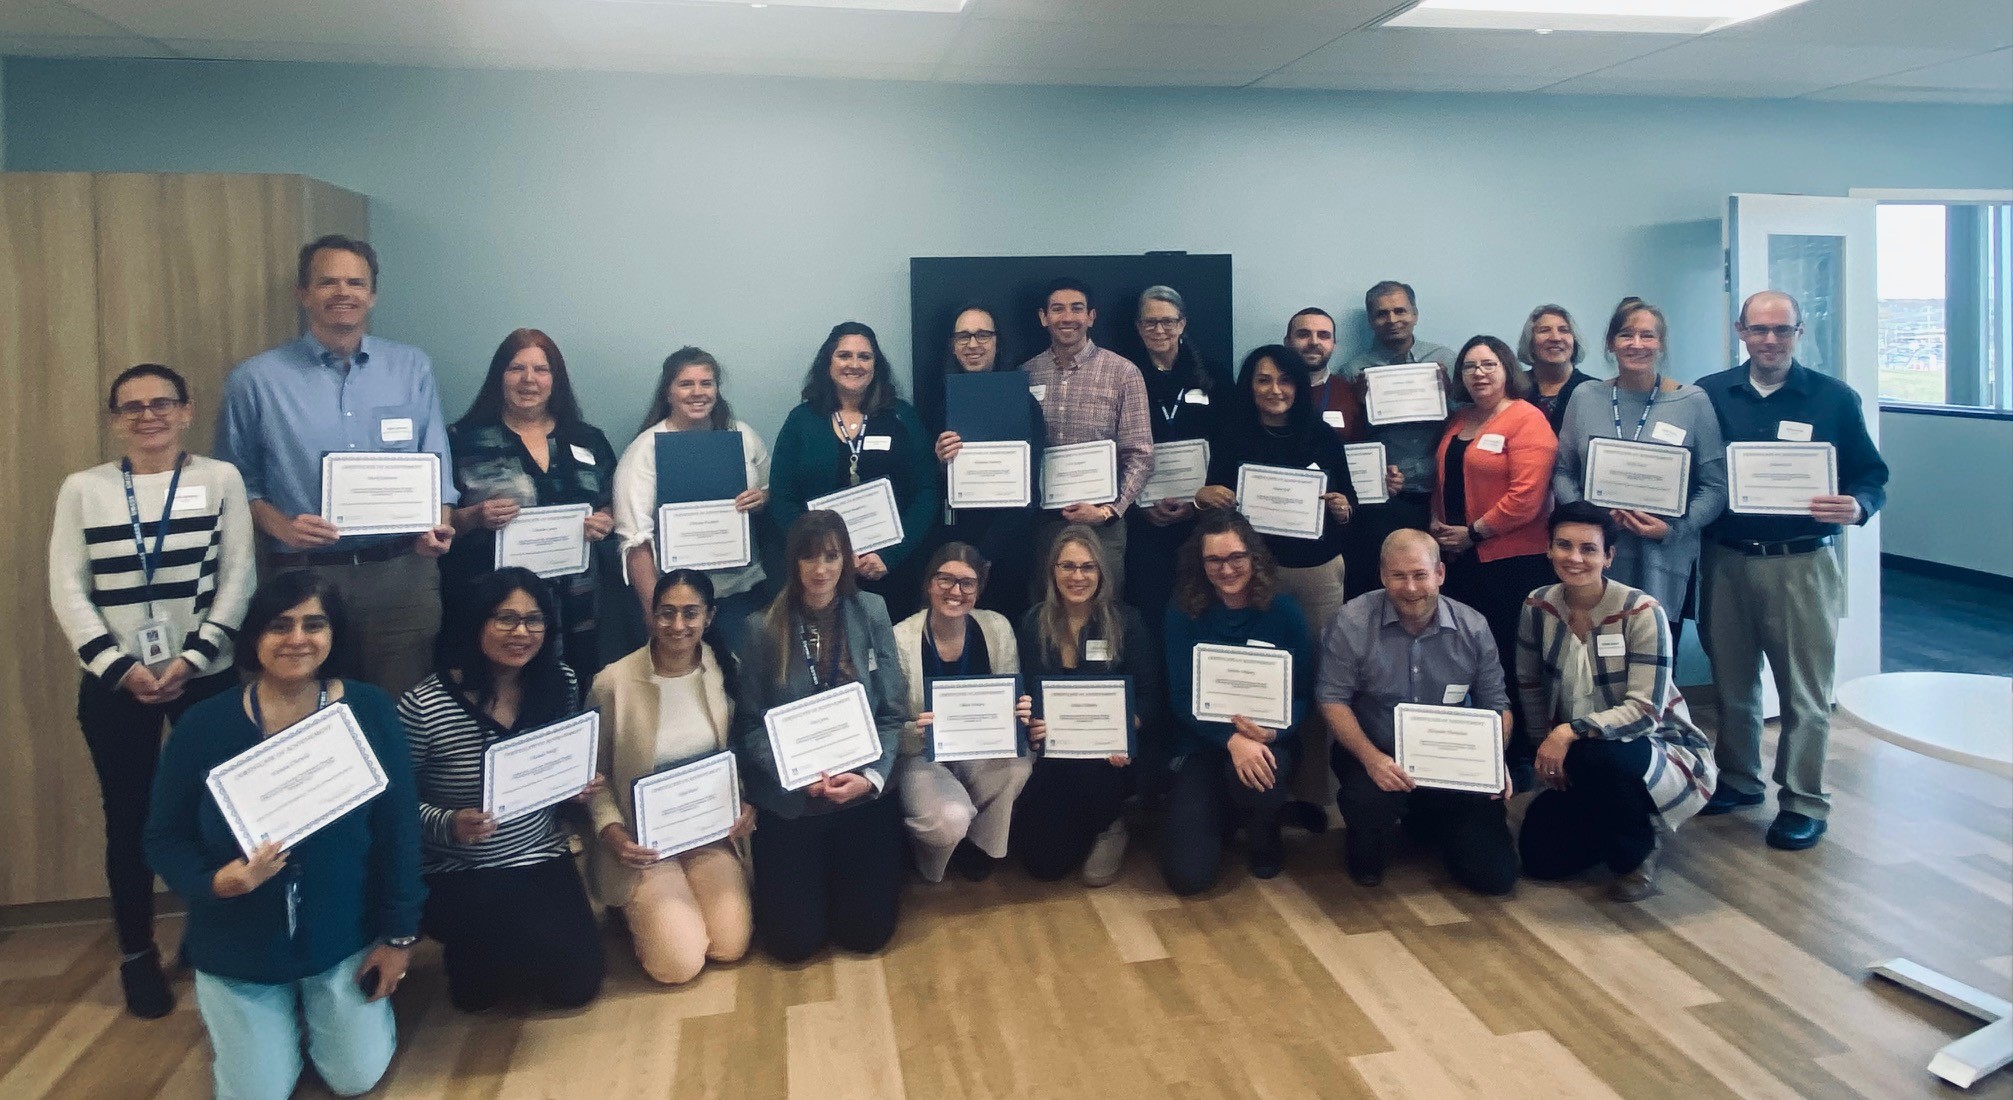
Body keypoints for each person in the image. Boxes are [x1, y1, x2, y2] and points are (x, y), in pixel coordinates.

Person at [143, 572, 422, 1100]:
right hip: (238, 945)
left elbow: (399, 832)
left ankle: (311, 1019)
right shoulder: (204, 726)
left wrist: (399, 938)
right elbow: (163, 837)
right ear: (253, 637)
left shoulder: (369, 710)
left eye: (314, 625)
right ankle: (266, 1026)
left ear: (334, 634)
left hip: (342, 935)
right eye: (279, 625)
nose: (298, 639)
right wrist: (215, 882)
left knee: (354, 1077)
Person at [48, 364, 257, 1018]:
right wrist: (117, 666)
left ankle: (209, 931)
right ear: (115, 419)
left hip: (204, 673)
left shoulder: (219, 479)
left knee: (216, 812)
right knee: (130, 818)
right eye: (132, 407)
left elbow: (239, 577)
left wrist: (194, 657)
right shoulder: (84, 489)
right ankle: (137, 954)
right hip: (116, 683)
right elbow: (67, 589)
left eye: (161, 402)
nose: (148, 415)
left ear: (186, 409)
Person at [215, 234, 457, 697]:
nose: (342, 292)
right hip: (303, 577)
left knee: (401, 715)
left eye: (355, 282)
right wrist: (282, 527)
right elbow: (237, 480)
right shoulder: (256, 380)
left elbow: (436, 464)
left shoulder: (412, 367)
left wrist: (438, 525)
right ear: (303, 294)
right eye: (327, 282)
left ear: (372, 295)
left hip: (402, 578)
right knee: (309, 715)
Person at [1695, 290, 1889, 851]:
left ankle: (1804, 800)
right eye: (1760, 330)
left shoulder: (1832, 398)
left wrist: (1858, 506)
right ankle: (1737, 779)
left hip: (1802, 562)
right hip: (1726, 558)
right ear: (1741, 331)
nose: (1771, 340)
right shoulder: (1709, 395)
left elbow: (1870, 475)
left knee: (1804, 691)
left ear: (1800, 333)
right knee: (1731, 682)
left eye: (1783, 330)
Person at [399, 568, 604, 1011]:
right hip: (459, 865)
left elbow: (556, 775)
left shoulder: (559, 683)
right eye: (505, 619)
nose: (521, 633)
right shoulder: (424, 705)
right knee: (482, 995)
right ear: (477, 623)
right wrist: (449, 823)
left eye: (534, 620)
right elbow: (393, 805)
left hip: (538, 851)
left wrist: (575, 787)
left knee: (576, 986)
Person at [1516, 503, 1717, 901]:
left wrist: (1567, 733)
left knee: (1599, 757)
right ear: (1549, 549)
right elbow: (1529, 684)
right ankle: (1612, 821)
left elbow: (1645, 712)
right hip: (1573, 749)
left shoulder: (1642, 613)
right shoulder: (1537, 605)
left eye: (1589, 549)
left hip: (1650, 743)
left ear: (1609, 556)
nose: (1575, 558)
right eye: (1564, 546)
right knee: (1540, 862)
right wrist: (1546, 747)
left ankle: (1637, 852)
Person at [731, 511, 907, 962]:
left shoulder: (872, 612)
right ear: (793, 562)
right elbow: (750, 725)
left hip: (860, 795)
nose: (821, 569)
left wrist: (870, 777)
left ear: (847, 558)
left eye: (831, 556)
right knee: (793, 946)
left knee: (866, 936)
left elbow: (891, 712)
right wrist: (793, 774)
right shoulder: (761, 628)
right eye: (809, 557)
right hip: (793, 802)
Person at [1195, 345, 1356, 822]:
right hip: (1248, 577)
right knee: (1257, 680)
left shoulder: (1322, 436)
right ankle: (1262, 787)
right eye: (1263, 380)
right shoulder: (1232, 435)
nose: (1274, 390)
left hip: (1314, 573)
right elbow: (1213, 503)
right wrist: (1204, 495)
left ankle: (1311, 795)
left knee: (1315, 680)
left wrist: (1344, 508)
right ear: (1250, 386)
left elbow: (1347, 505)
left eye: (1284, 380)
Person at [1317, 530, 1518, 895]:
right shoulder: (1351, 622)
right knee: (1366, 802)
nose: (1411, 588)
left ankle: (1427, 821)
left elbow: (1497, 705)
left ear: (1440, 573)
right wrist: (1372, 758)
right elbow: (1332, 698)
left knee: (1495, 878)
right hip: (1376, 752)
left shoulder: (1473, 627)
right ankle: (1370, 835)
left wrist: (1492, 758)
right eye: (1399, 576)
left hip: (1452, 760)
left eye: (1420, 575)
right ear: (1382, 576)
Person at [587, 569, 755, 984]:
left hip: (709, 833)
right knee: (679, 965)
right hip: (642, 845)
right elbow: (593, 775)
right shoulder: (613, 683)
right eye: (666, 613)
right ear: (651, 615)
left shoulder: (724, 670)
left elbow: (741, 753)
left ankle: (677, 903)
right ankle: (632, 907)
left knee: (729, 946)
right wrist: (613, 834)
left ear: (709, 617)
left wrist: (747, 803)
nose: (677, 625)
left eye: (690, 613)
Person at [443, 329, 619, 682]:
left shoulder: (588, 439)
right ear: (499, 377)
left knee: (570, 699)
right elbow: (441, 523)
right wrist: (474, 517)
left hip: (576, 609)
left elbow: (614, 504)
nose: (529, 380)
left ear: (556, 379)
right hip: (492, 612)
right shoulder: (462, 440)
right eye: (516, 369)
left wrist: (605, 521)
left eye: (541, 369)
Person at [1551, 299, 1727, 641]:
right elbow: (1561, 471)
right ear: (1610, 343)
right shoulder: (1585, 397)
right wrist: (1589, 519)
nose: (1636, 344)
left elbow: (1716, 488)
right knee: (1594, 658)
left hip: (1663, 558)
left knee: (1655, 661)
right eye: (1626, 334)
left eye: (1647, 335)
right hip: (1593, 557)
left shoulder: (1692, 402)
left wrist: (1675, 528)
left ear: (1660, 344)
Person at [1159, 511, 1314, 894]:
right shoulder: (1182, 612)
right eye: (1214, 560)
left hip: (1268, 743)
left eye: (1236, 558)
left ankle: (1264, 829)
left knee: (1258, 777)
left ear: (1254, 557)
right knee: (1188, 877)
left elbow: (1303, 693)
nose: (1226, 569)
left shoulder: (1284, 612)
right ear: (1201, 563)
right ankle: (1226, 818)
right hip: (1202, 746)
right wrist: (1231, 738)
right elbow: (1180, 697)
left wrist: (1275, 729)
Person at [1429, 335, 1558, 777]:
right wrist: (1439, 529)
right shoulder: (1459, 420)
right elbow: (1443, 480)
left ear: (1506, 369)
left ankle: (1519, 754)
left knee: (1510, 656)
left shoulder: (1527, 419)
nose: (1479, 373)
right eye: (1469, 366)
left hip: (1511, 561)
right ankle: (1475, 748)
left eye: (1488, 364)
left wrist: (1475, 533)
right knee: (1469, 655)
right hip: (1462, 560)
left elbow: (1528, 497)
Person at [1011, 525, 1164, 886]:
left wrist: (1125, 729)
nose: (1077, 576)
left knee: (1097, 777)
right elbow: (1026, 692)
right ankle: (1081, 825)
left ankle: (1111, 824)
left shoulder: (1127, 622)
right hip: (1055, 754)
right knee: (1042, 866)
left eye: (1087, 567)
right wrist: (1032, 722)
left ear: (1101, 572)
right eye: (1067, 566)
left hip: (1110, 758)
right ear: (1052, 571)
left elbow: (1150, 695)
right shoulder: (1033, 624)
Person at [770, 323, 938, 622]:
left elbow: (926, 492)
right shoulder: (801, 420)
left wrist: (890, 555)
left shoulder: (901, 416)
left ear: (877, 365)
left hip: (890, 572)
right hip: (819, 575)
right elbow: (783, 497)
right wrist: (820, 554)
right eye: (844, 355)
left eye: (865, 357)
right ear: (828, 363)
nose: (854, 364)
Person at [892, 542, 1039, 882]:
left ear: (978, 589)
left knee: (1018, 766)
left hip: (980, 749)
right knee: (950, 818)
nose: (955, 591)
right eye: (945, 579)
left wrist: (1019, 711)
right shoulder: (900, 638)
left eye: (967, 583)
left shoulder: (997, 627)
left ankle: (979, 845)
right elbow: (888, 725)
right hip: (921, 755)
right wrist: (916, 729)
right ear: (929, 583)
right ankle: (931, 854)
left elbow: (1012, 697)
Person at [612, 347, 771, 652]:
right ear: (668, 393)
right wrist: (655, 614)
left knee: (751, 683)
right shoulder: (645, 450)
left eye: (706, 383)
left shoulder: (743, 436)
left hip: (743, 592)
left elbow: (768, 489)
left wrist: (761, 499)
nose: (697, 392)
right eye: (686, 384)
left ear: (717, 390)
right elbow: (635, 541)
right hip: (681, 603)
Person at [1018, 278, 1155, 600]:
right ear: (1043, 317)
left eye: (1077, 308)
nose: (1068, 317)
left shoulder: (1123, 373)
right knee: (1045, 611)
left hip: (1102, 525)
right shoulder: (1024, 375)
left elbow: (1141, 455)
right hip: (1045, 524)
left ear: (1091, 316)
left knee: (1103, 613)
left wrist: (1110, 510)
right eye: (1058, 309)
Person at [928, 304, 1044, 625]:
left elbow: (1029, 487)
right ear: (953, 344)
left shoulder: (1024, 403)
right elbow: (932, 488)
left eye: (983, 335)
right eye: (963, 336)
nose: (973, 344)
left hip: (1008, 546)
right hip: (954, 545)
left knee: (1003, 635)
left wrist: (986, 555)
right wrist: (940, 462)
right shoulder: (939, 405)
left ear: (997, 341)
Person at [1124, 286, 1221, 625]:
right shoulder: (1124, 375)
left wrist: (1198, 503)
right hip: (1143, 517)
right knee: (1150, 609)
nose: (1159, 331)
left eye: (1168, 322)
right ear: (1138, 327)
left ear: (1182, 324)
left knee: (1202, 607)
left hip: (1201, 516)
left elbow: (1228, 442)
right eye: (1150, 323)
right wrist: (1139, 503)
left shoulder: (1213, 373)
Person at [1340, 280, 1460, 541]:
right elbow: (1349, 439)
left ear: (1415, 314)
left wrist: (1450, 392)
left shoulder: (1446, 359)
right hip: (1388, 493)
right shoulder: (1353, 371)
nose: (1392, 319)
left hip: (1442, 489)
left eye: (1400, 311)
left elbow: (1469, 421)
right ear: (1371, 321)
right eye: (1382, 313)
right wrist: (1359, 405)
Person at [1289, 306, 1380, 600]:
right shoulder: (1268, 392)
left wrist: (1381, 479)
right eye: (1303, 334)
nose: (1313, 342)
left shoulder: (1349, 391)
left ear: (1333, 345)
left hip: (1337, 528)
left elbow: (1363, 452)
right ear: (1288, 341)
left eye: (1323, 335)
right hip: (1279, 521)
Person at [1517, 305, 1597, 434]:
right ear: (1530, 342)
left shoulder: (1594, 391)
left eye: (1564, 330)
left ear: (1574, 342)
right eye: (1544, 330)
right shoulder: (1512, 387)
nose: (1555, 338)